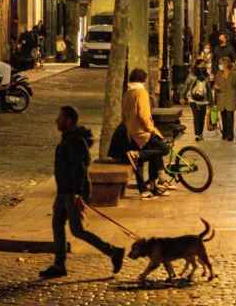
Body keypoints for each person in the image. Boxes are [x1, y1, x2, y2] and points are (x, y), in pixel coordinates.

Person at [39, 106, 125, 279]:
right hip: (63, 192)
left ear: (69, 121)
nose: (57, 120)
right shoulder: (69, 139)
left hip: (71, 193)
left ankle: (113, 252)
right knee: (58, 226)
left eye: (60, 117)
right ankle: (59, 264)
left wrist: (78, 194)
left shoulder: (75, 141)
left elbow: (79, 170)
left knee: (77, 230)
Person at [123, 68, 171, 198]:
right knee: (164, 149)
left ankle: (147, 188)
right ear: (143, 79)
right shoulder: (141, 93)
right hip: (142, 133)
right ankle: (138, 156)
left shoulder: (128, 93)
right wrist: (151, 129)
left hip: (131, 132)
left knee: (152, 155)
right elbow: (143, 115)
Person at [214, 57, 236, 141]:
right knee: (223, 117)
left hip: (231, 98)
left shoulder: (234, 75)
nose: (220, 65)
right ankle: (225, 133)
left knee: (230, 117)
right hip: (221, 98)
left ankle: (230, 134)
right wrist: (216, 88)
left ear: (226, 64)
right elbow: (216, 84)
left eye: (221, 63)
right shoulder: (218, 74)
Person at [182, 62, 213, 141]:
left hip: (204, 100)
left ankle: (200, 133)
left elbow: (209, 89)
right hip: (193, 100)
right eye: (200, 64)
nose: (202, 66)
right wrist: (182, 96)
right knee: (196, 116)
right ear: (196, 65)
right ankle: (197, 134)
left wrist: (211, 101)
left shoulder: (206, 76)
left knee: (202, 117)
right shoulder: (192, 76)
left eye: (203, 65)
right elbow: (186, 86)